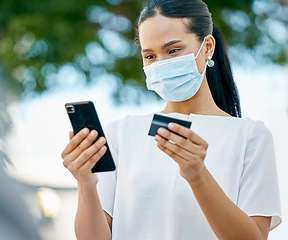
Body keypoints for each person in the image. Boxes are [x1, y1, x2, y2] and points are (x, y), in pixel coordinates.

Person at [61, 0, 282, 239]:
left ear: (207, 47)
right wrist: (86, 184)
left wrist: (198, 175)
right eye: (150, 55)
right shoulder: (120, 134)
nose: (161, 64)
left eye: (173, 50)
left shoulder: (250, 136)